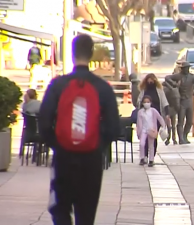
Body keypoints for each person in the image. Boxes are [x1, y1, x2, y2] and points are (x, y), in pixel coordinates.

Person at [38, 34, 120, 225]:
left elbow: (43, 121)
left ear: (72, 53)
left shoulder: (58, 85)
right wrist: (97, 145)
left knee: (60, 208)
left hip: (64, 157)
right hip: (91, 160)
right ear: (91, 54)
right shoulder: (103, 87)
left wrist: (58, 144)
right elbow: (114, 127)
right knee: (86, 214)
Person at [165, 62, 194, 144]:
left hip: (189, 100)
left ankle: (185, 136)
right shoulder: (178, 76)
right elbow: (167, 78)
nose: (186, 69)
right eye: (185, 68)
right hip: (181, 101)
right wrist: (173, 83)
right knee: (180, 120)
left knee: (190, 121)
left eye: (187, 68)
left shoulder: (192, 77)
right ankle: (181, 138)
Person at [137, 73, 170, 162]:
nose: (150, 81)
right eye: (149, 79)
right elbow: (139, 101)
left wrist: (167, 114)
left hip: (156, 117)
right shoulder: (143, 91)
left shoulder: (159, 90)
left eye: (152, 79)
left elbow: (164, 102)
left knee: (153, 136)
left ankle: (152, 155)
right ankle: (145, 156)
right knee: (145, 139)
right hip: (145, 117)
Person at [137, 95, 167, 167]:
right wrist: (138, 132)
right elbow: (138, 123)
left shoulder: (153, 111)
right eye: (145, 102)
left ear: (150, 103)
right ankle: (142, 158)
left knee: (151, 145)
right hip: (143, 130)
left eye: (148, 102)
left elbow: (160, 118)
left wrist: (163, 126)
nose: (146, 103)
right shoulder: (140, 112)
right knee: (142, 143)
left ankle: (151, 160)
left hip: (152, 130)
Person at [162, 80, 181, 145]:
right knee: (173, 125)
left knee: (168, 125)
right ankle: (173, 138)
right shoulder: (174, 90)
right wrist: (177, 108)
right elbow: (176, 100)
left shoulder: (164, 90)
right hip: (173, 108)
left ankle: (168, 138)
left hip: (166, 108)